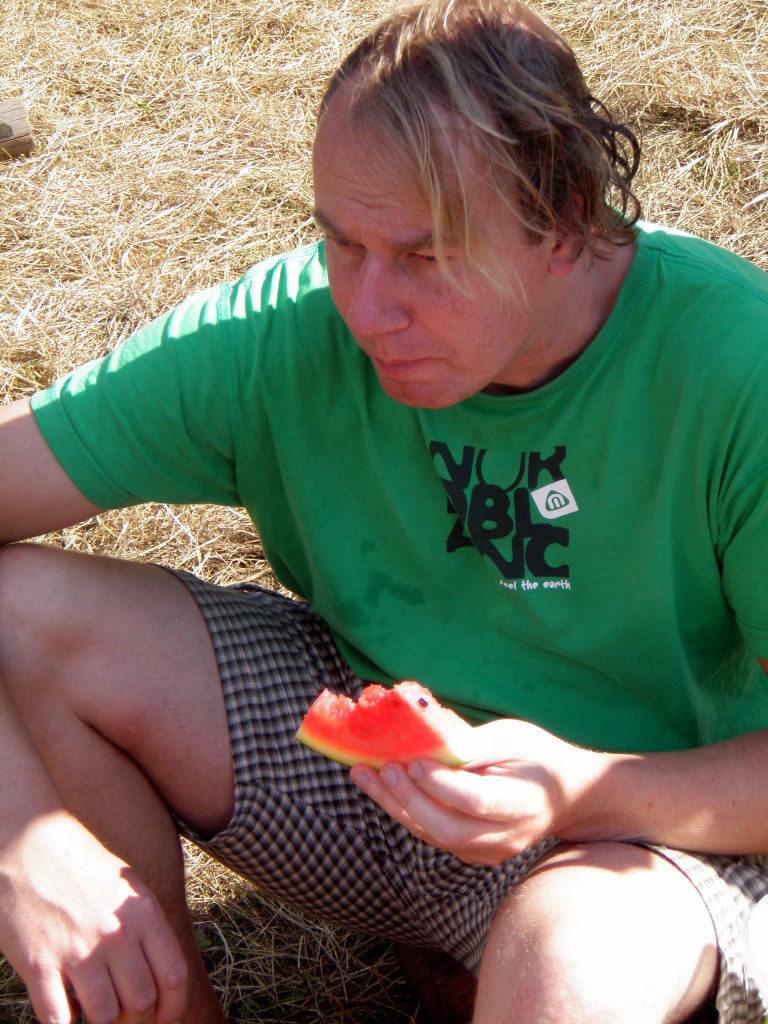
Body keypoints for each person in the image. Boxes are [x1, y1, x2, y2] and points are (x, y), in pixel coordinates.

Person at [1, 0, 767, 1021]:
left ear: (566, 220)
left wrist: (584, 789)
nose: (366, 312)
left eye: (426, 255)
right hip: (379, 788)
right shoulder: (286, 332)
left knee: (565, 963)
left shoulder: (735, 366)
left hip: (665, 832)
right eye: (341, 243)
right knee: (24, 615)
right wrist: (24, 835)